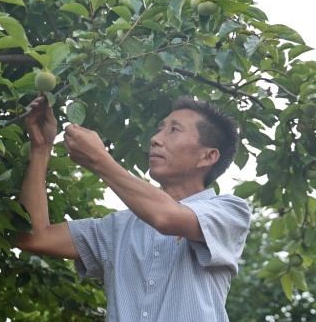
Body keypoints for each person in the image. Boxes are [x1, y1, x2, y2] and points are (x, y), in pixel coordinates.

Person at [16, 94, 251, 322]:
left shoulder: (230, 211)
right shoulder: (117, 227)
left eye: (174, 130)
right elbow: (35, 238)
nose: (156, 138)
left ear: (207, 156)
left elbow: (167, 217)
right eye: (160, 129)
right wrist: (40, 148)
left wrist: (100, 159)